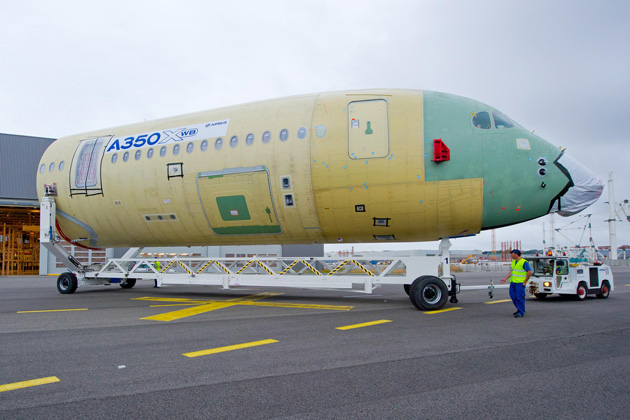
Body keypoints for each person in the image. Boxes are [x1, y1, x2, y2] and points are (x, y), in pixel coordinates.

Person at [501, 249, 531, 318]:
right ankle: (520, 309)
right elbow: (512, 271)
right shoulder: (514, 262)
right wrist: (505, 278)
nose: (511, 255)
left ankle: (521, 312)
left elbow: (529, 272)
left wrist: (525, 282)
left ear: (516, 254)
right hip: (513, 283)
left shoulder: (524, 262)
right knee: (513, 296)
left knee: (519, 297)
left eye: (512, 254)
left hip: (520, 283)